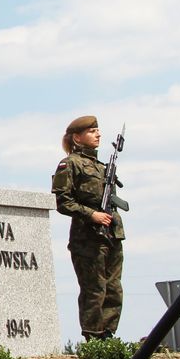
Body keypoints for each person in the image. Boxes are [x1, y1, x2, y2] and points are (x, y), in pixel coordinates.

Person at [52, 115, 125, 340]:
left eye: (98, 130)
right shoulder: (70, 164)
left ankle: (108, 335)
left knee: (114, 290)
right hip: (88, 237)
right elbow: (63, 202)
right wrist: (92, 215)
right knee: (95, 290)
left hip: (112, 234)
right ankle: (94, 337)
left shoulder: (102, 167)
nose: (98, 134)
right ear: (77, 137)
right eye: (92, 131)